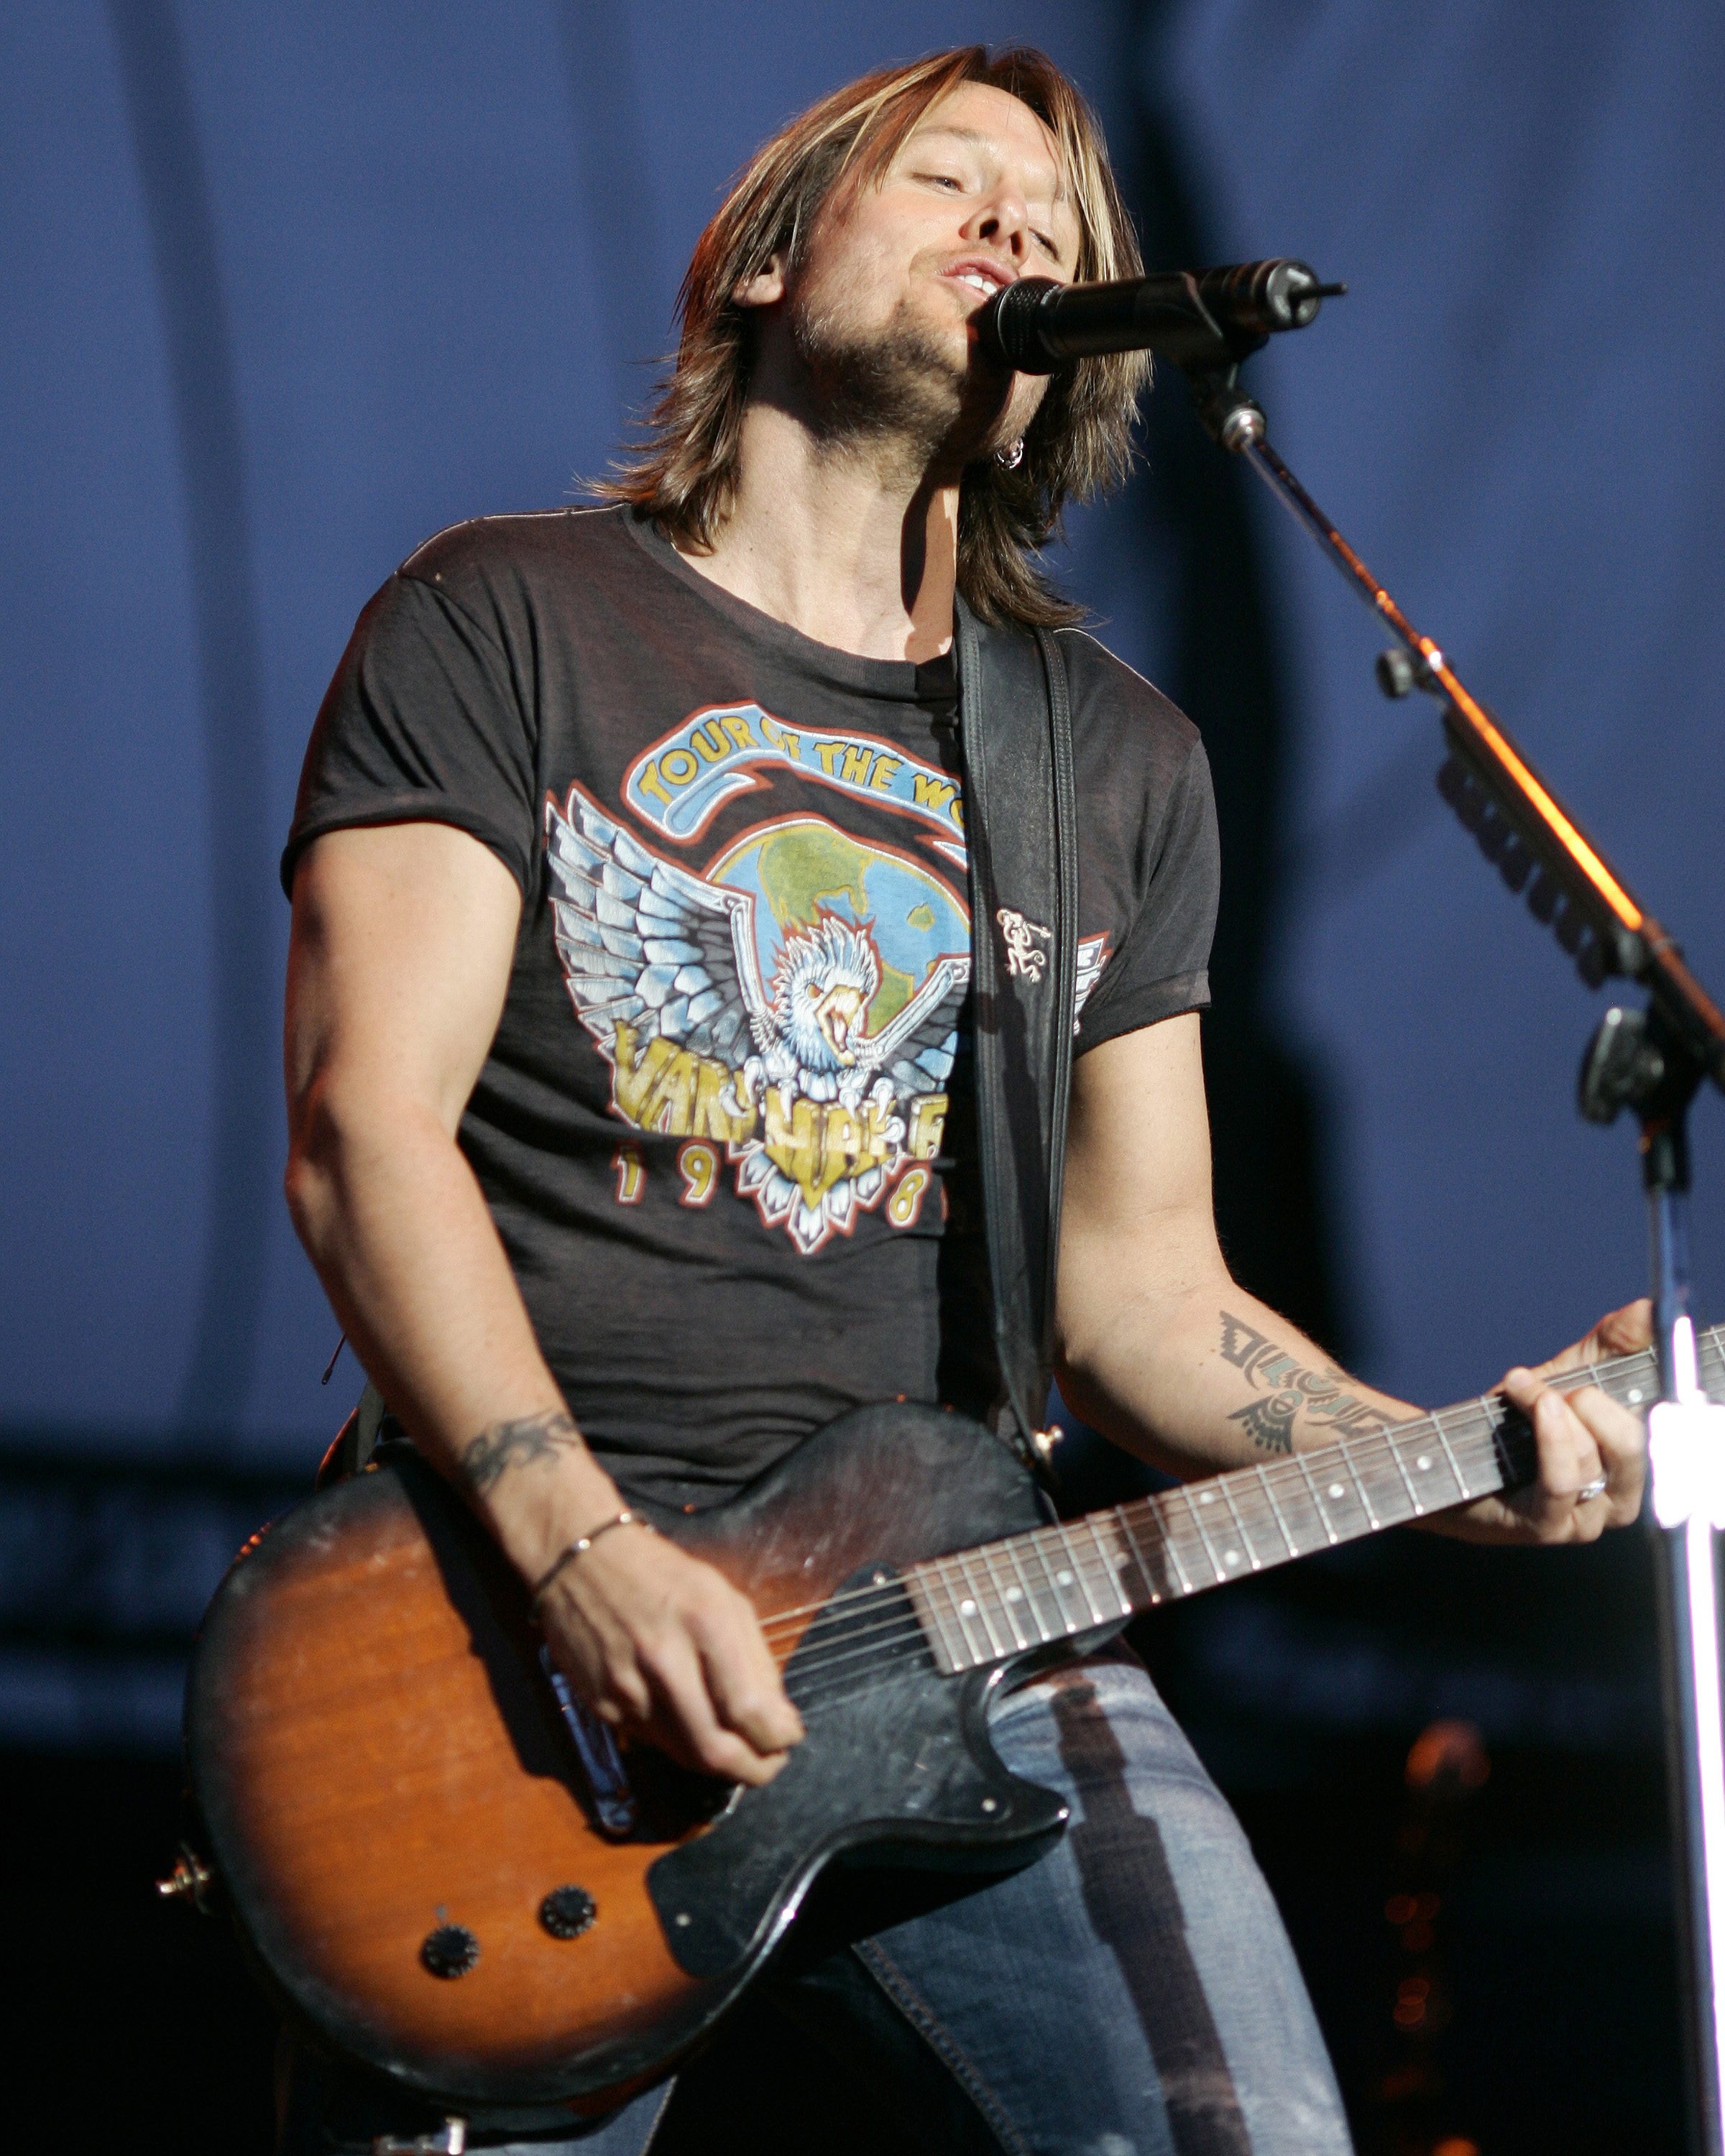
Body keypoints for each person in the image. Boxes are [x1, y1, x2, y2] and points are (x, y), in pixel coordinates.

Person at [278, 45, 1649, 2156]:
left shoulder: (1112, 762)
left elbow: (1144, 1314)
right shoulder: (504, 622)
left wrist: (1483, 1463)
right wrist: (580, 1557)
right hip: (508, 1627)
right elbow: (366, 1128)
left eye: (1059, 227)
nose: (1020, 234)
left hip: (973, 1623)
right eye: (952, 182)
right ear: (759, 258)